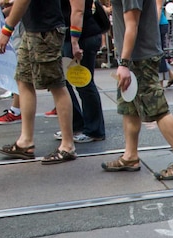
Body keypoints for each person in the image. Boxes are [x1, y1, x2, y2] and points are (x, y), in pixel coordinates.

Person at [102, 0, 173, 179]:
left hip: (140, 57)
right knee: (129, 108)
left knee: (158, 109)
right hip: (133, 56)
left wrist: (124, 63)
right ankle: (130, 156)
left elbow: (132, 23)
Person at [0, 0, 81, 164]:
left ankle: (68, 146)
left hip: (45, 31)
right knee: (23, 80)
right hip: (34, 29)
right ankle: (26, 141)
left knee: (56, 85)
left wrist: (7, 30)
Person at [56, 0, 106, 143]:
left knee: (83, 83)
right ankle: (77, 124)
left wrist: (74, 42)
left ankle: (94, 129)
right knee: (66, 83)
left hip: (82, 37)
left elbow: (78, 11)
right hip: (72, 36)